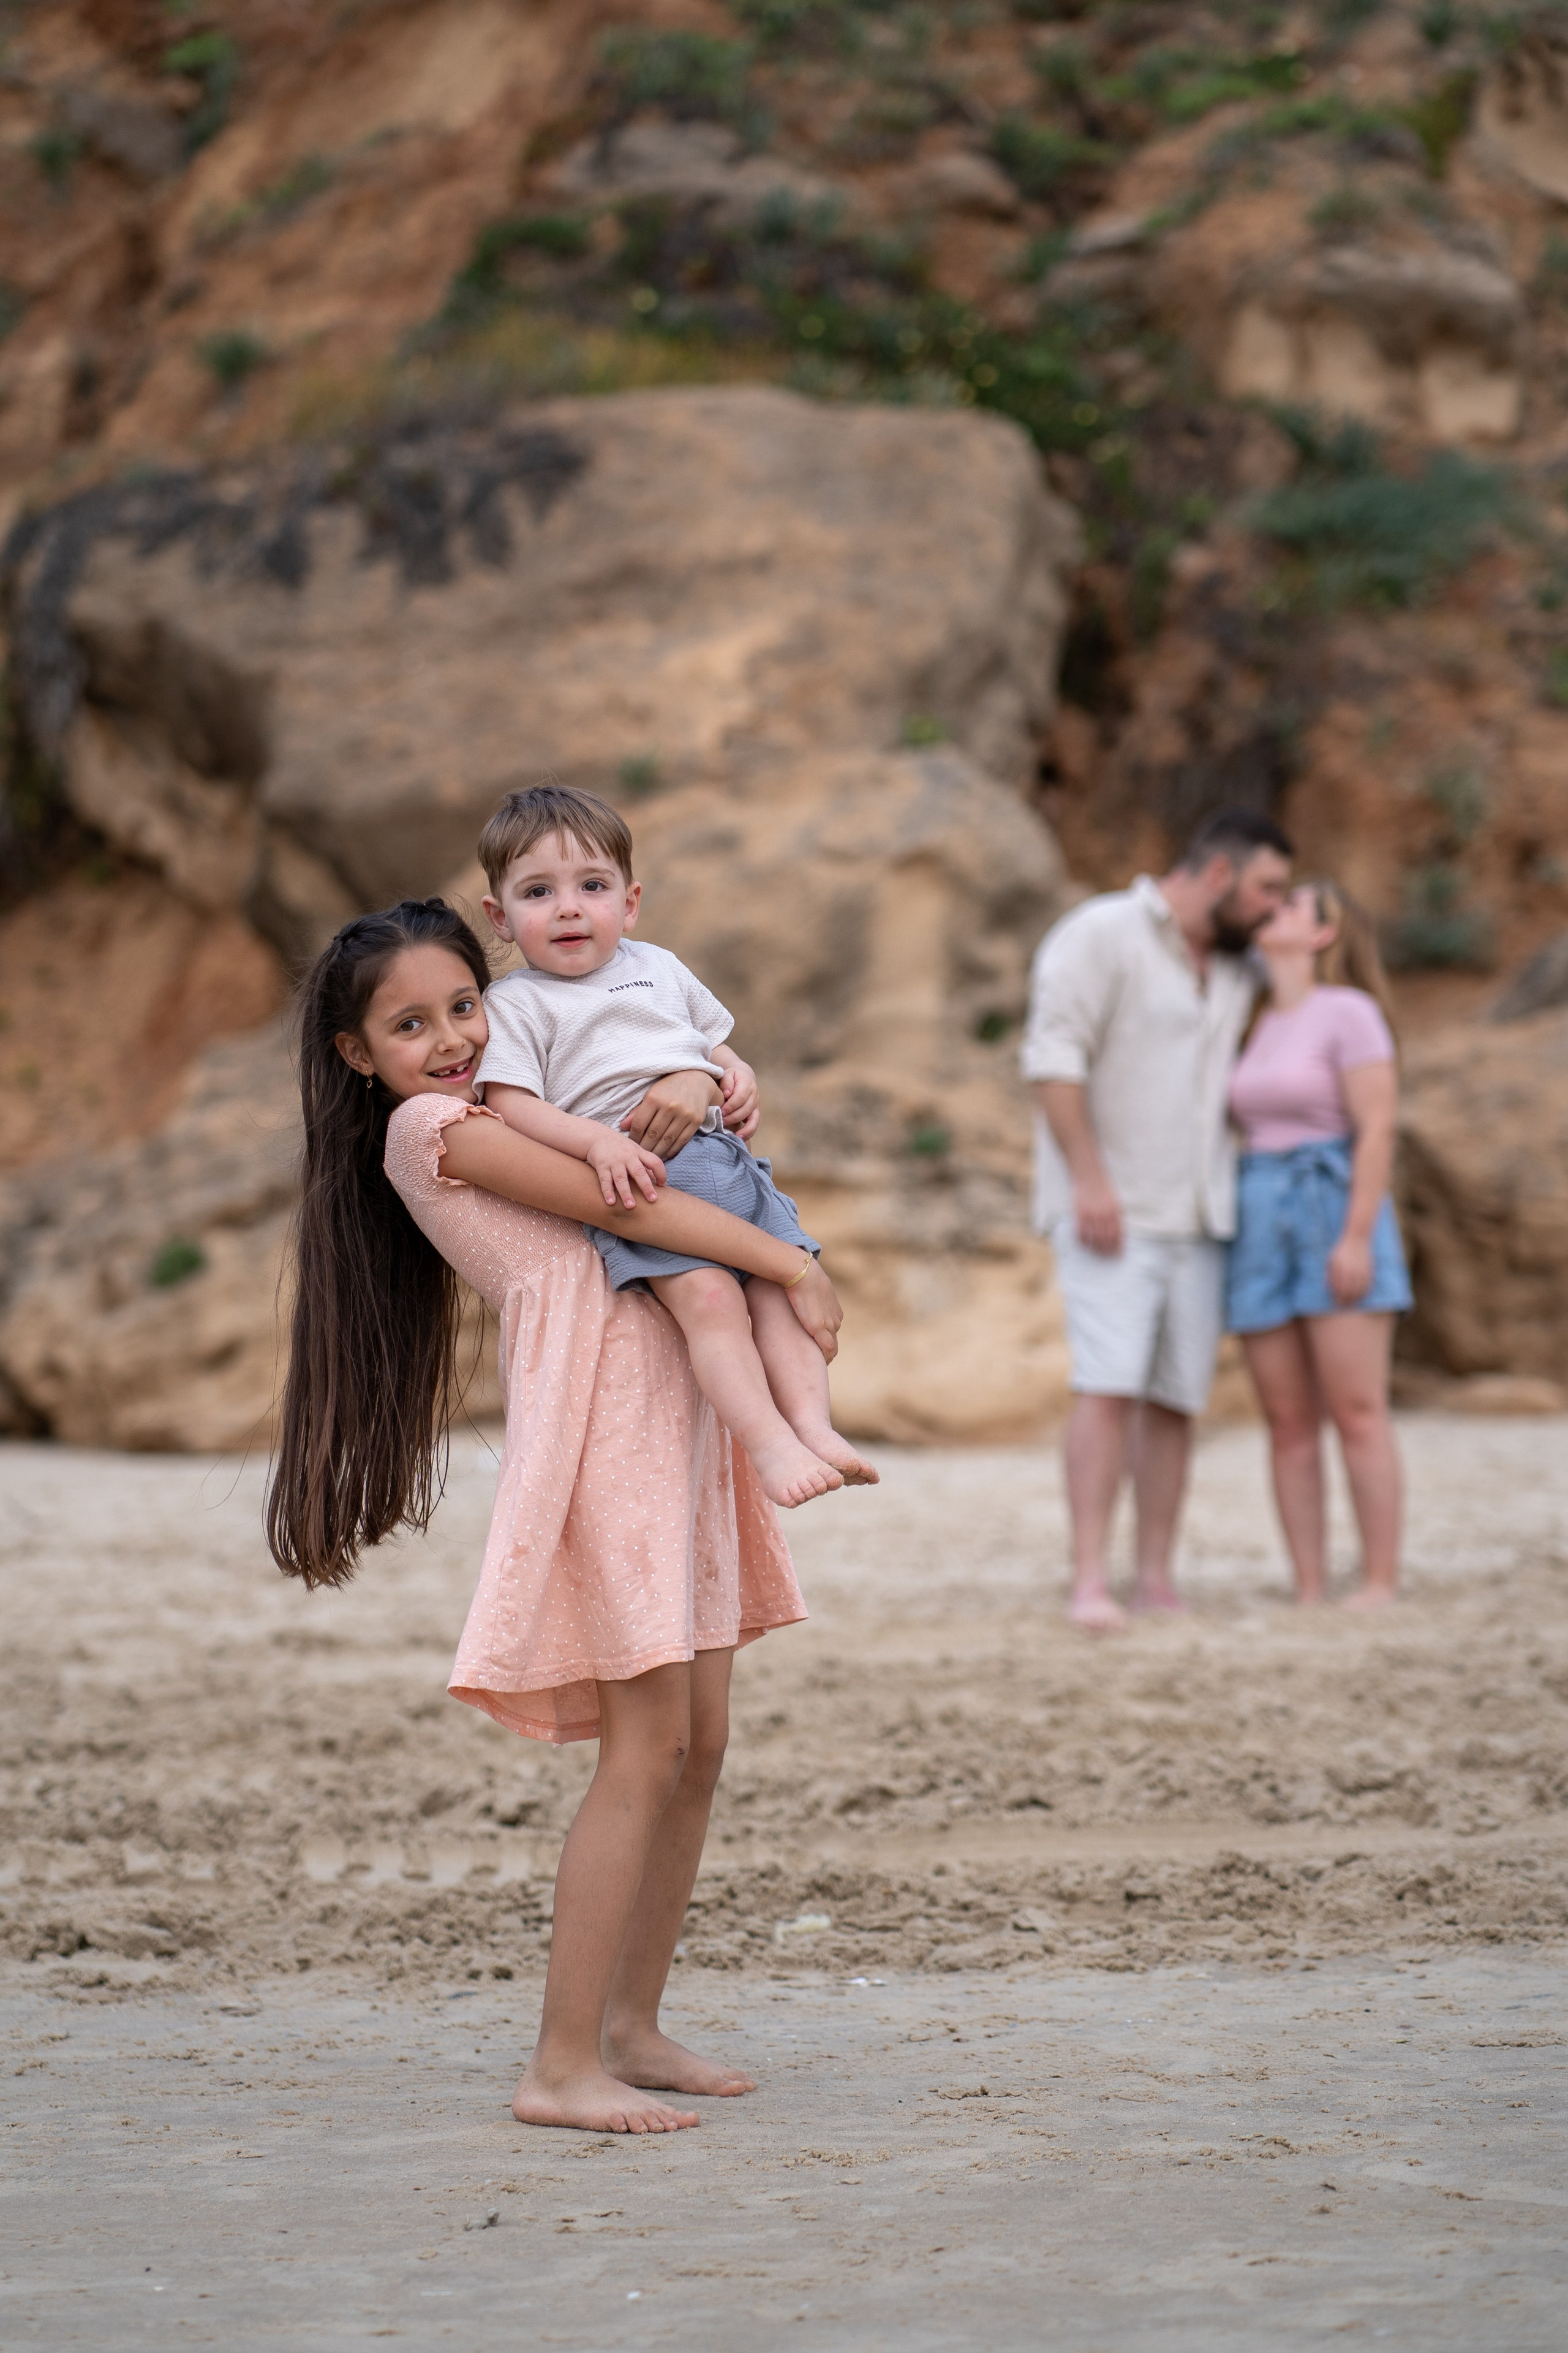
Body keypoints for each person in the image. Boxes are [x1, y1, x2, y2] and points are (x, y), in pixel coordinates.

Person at [266, 897, 849, 2136]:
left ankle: (632, 2026)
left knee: (698, 1743)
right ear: (356, 1056)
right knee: (640, 1751)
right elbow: (626, 1211)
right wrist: (790, 1263)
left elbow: (653, 1101)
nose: (450, 1039)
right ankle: (560, 2062)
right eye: (409, 1024)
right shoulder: (434, 1128)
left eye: (464, 1007)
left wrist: (708, 1075)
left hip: (676, 1412)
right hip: (604, 1432)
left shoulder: (525, 1089)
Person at [473, 784, 876, 1509]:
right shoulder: (517, 1004)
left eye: (591, 886)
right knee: (713, 1300)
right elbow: (509, 1104)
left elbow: (717, 1046)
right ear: (500, 918)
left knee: (781, 1295)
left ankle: (815, 1425)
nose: (568, 907)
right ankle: (770, 1444)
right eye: (539, 891)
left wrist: (738, 1074)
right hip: (643, 1184)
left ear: (628, 902)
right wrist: (595, 1142)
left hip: (731, 1166)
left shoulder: (658, 965)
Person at [1020, 807, 1292, 1631]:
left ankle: (1157, 1575)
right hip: (1112, 1211)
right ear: (1219, 874)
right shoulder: (1100, 933)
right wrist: (1092, 1182)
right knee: (1107, 1387)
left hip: (1204, 1215)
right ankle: (1091, 1578)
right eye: (1267, 888)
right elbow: (1053, 1059)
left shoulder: (1243, 968)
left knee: (1177, 1400)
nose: (1276, 907)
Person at [1225, 879, 1411, 1608]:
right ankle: (1308, 1583)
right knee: (1287, 1418)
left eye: (1293, 903)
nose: (1273, 906)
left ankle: (1378, 1580)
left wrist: (1357, 1235)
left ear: (1324, 934)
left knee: (1357, 1408)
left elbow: (1377, 1130)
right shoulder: (1252, 1014)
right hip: (1257, 1215)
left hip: (1328, 1203)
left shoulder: (1350, 1012)